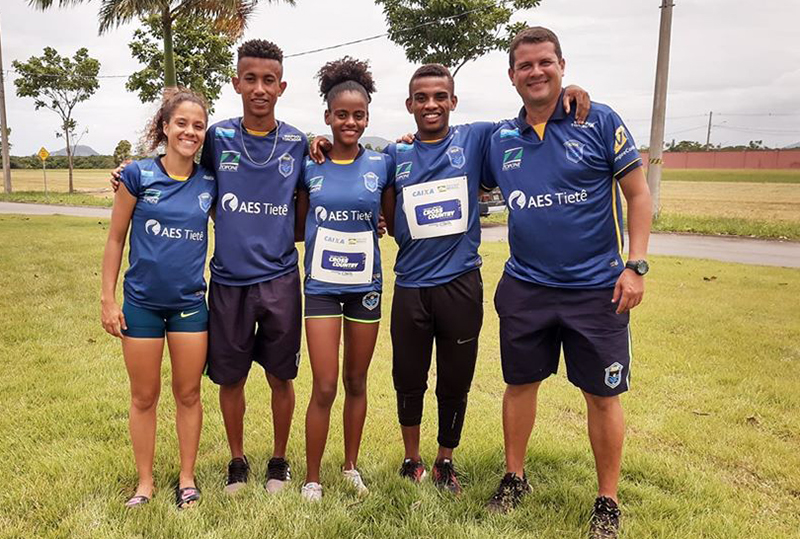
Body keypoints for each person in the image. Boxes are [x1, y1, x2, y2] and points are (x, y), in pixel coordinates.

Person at [482, 27, 652, 539]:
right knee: (519, 384)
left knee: (602, 396)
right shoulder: (499, 139)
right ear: (512, 76)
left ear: (562, 65)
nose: (536, 72)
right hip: (526, 287)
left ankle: (607, 501)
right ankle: (514, 477)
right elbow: (449, 154)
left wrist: (635, 265)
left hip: (598, 289)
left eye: (544, 63)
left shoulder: (598, 120)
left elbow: (638, 197)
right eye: (524, 65)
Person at [199, 40, 308, 494]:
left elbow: (306, 205)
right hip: (228, 282)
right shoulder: (216, 137)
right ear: (236, 82)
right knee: (231, 376)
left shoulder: (299, 142)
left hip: (281, 280)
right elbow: (189, 183)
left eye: (268, 80)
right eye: (250, 78)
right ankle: (238, 460)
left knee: (281, 376)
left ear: (281, 86)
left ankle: (279, 461)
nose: (259, 88)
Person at [100, 88, 215, 509]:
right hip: (142, 304)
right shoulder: (136, 176)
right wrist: (107, 300)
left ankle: (187, 478)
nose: (189, 131)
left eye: (198, 125)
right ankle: (144, 483)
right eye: (181, 123)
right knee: (144, 396)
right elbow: (115, 239)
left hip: (189, 305)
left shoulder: (210, 181)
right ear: (164, 127)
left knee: (188, 394)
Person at [295, 57, 393, 502]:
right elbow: (298, 225)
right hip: (319, 287)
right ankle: (312, 476)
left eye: (358, 115)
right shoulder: (309, 163)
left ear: (367, 118)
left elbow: (390, 218)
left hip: (365, 289)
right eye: (341, 114)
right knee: (325, 384)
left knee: (357, 382)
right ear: (328, 117)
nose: (349, 122)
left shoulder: (381, 165)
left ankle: (350, 466)